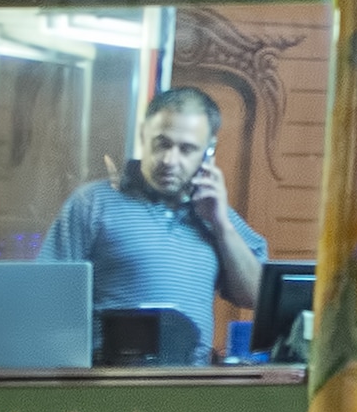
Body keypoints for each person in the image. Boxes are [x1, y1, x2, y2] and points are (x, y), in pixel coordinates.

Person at [46, 88, 267, 360]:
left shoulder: (218, 216)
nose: (169, 161)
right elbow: (47, 297)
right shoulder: (92, 204)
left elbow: (257, 297)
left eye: (186, 149)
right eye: (162, 143)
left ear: (209, 152)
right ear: (142, 135)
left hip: (189, 386)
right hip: (106, 380)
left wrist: (221, 225)